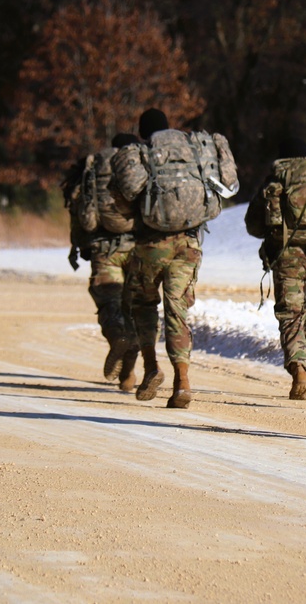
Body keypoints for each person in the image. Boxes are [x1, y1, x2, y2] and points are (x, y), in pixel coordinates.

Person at [109, 108, 239, 408]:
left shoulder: (141, 152)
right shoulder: (194, 148)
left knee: (143, 305)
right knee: (177, 310)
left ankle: (152, 366)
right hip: (189, 243)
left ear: (144, 132)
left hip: (151, 245)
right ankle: (183, 382)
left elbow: (123, 199)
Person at [245, 137, 306, 400]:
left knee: (291, 314)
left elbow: (254, 225)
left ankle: (298, 370)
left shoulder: (276, 179)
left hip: (288, 254)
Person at [62, 133, 141, 391]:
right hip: (139, 248)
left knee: (110, 303)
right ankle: (128, 372)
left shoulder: (94, 165)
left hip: (104, 248)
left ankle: (117, 337)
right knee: (137, 308)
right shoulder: (141, 163)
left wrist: (81, 245)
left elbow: (79, 208)